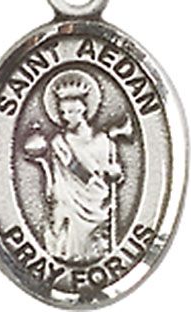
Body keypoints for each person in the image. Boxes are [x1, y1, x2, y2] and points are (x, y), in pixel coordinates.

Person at [25, 69, 123, 263]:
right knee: (65, 238)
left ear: (82, 111)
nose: (65, 117)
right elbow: (71, 166)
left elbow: (109, 169)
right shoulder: (59, 141)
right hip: (67, 202)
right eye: (62, 112)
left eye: (70, 112)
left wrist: (113, 172)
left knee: (94, 242)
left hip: (95, 200)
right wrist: (43, 162)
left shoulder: (103, 140)